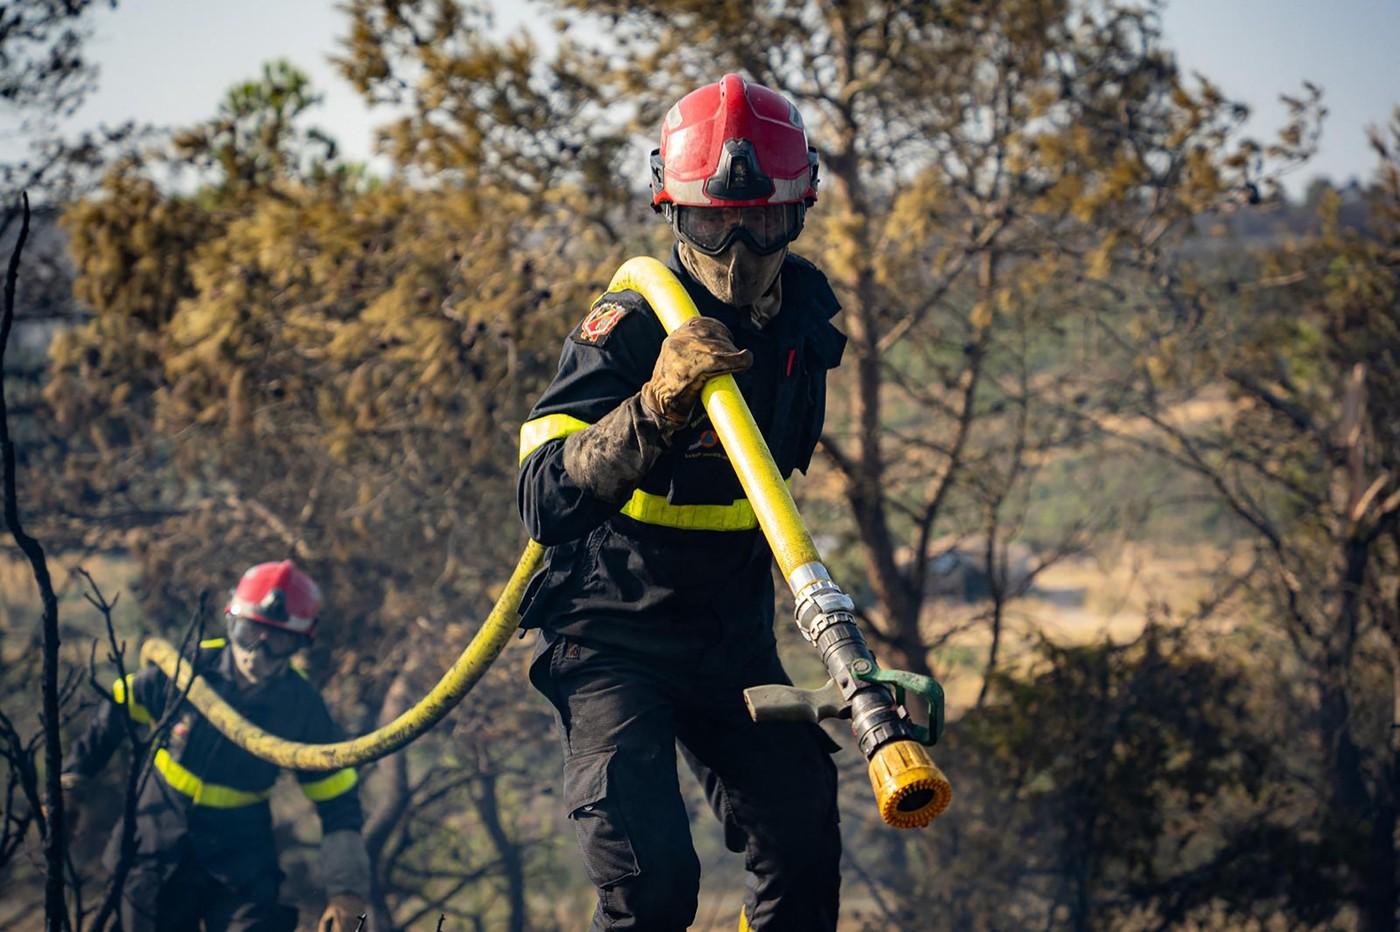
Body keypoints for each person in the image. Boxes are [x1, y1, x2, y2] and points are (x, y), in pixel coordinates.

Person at [517, 74, 846, 931]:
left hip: (729, 637)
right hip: (612, 636)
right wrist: (654, 407)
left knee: (803, 836)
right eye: (712, 221)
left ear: (799, 208)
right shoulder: (628, 325)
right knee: (653, 883)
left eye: (762, 221)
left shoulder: (806, 323)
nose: (739, 252)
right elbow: (542, 500)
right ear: (672, 211)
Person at [62, 560, 371, 932]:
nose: (259, 651)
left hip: (240, 858)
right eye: (250, 632)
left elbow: (339, 804)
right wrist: (71, 784)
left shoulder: (302, 707)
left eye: (278, 639)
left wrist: (347, 893)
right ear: (231, 622)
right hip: (154, 846)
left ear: (300, 641)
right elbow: (113, 715)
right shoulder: (185, 670)